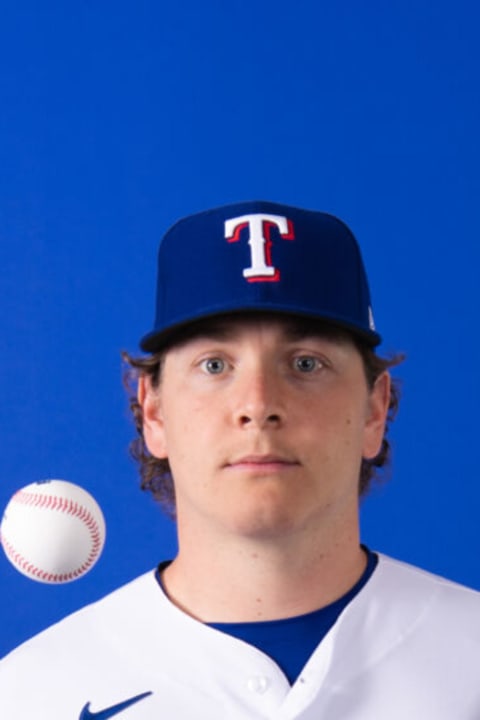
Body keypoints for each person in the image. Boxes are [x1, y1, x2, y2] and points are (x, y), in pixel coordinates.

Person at [1, 200, 479, 719]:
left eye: (305, 363)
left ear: (374, 409)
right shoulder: (32, 693)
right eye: (214, 365)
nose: (258, 404)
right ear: (154, 411)